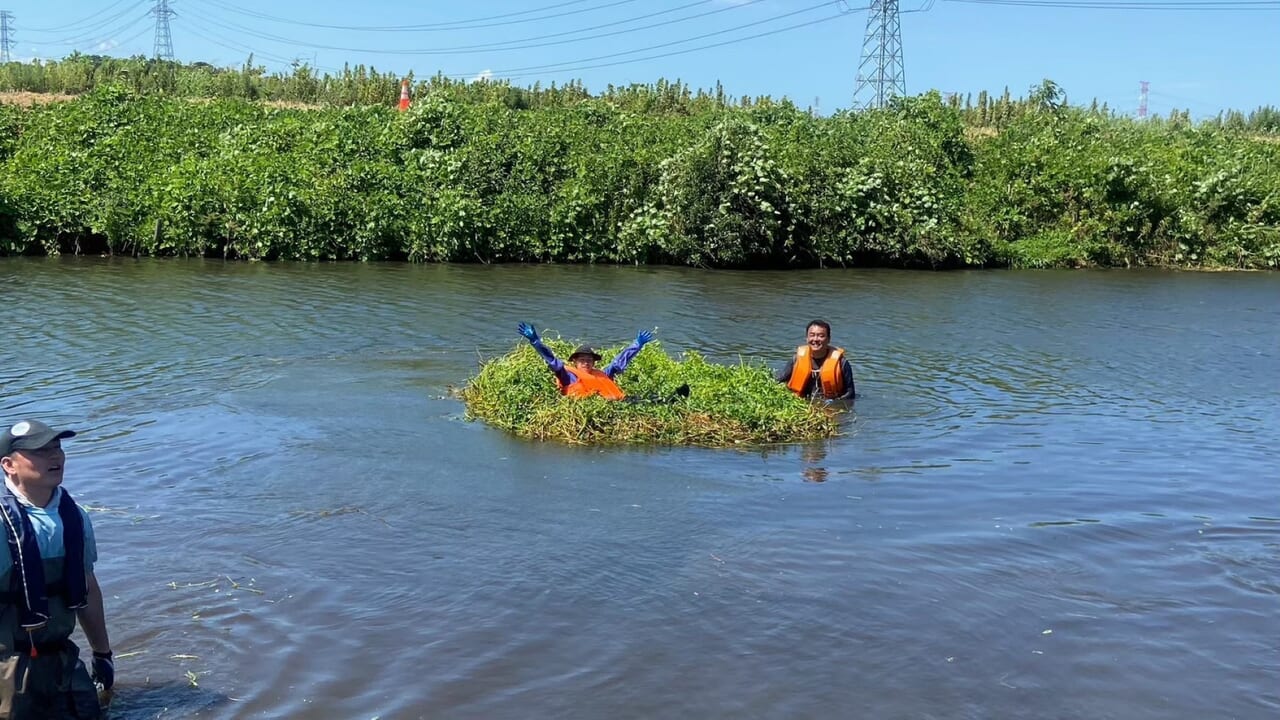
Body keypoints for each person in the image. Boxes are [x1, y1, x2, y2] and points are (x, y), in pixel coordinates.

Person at [0, 420, 114, 719]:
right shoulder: (2, 525)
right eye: (40, 451)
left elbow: (86, 586)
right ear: (9, 465)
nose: (55, 457)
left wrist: (102, 654)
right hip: (8, 663)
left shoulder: (74, 517)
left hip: (61, 657)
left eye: (57, 448)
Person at [517, 323, 655, 400]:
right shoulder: (569, 376)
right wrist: (535, 341)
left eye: (589, 360)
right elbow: (553, 362)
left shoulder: (602, 374)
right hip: (593, 407)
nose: (586, 363)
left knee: (651, 399)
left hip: (620, 403)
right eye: (582, 360)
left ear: (594, 363)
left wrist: (637, 344)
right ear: (575, 362)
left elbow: (618, 363)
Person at [776, 319, 856, 400]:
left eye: (821, 336)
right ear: (807, 338)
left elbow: (850, 393)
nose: (815, 339)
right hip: (801, 402)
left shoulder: (841, 363)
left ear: (828, 339)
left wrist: (835, 404)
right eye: (812, 335)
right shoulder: (796, 359)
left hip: (830, 405)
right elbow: (778, 381)